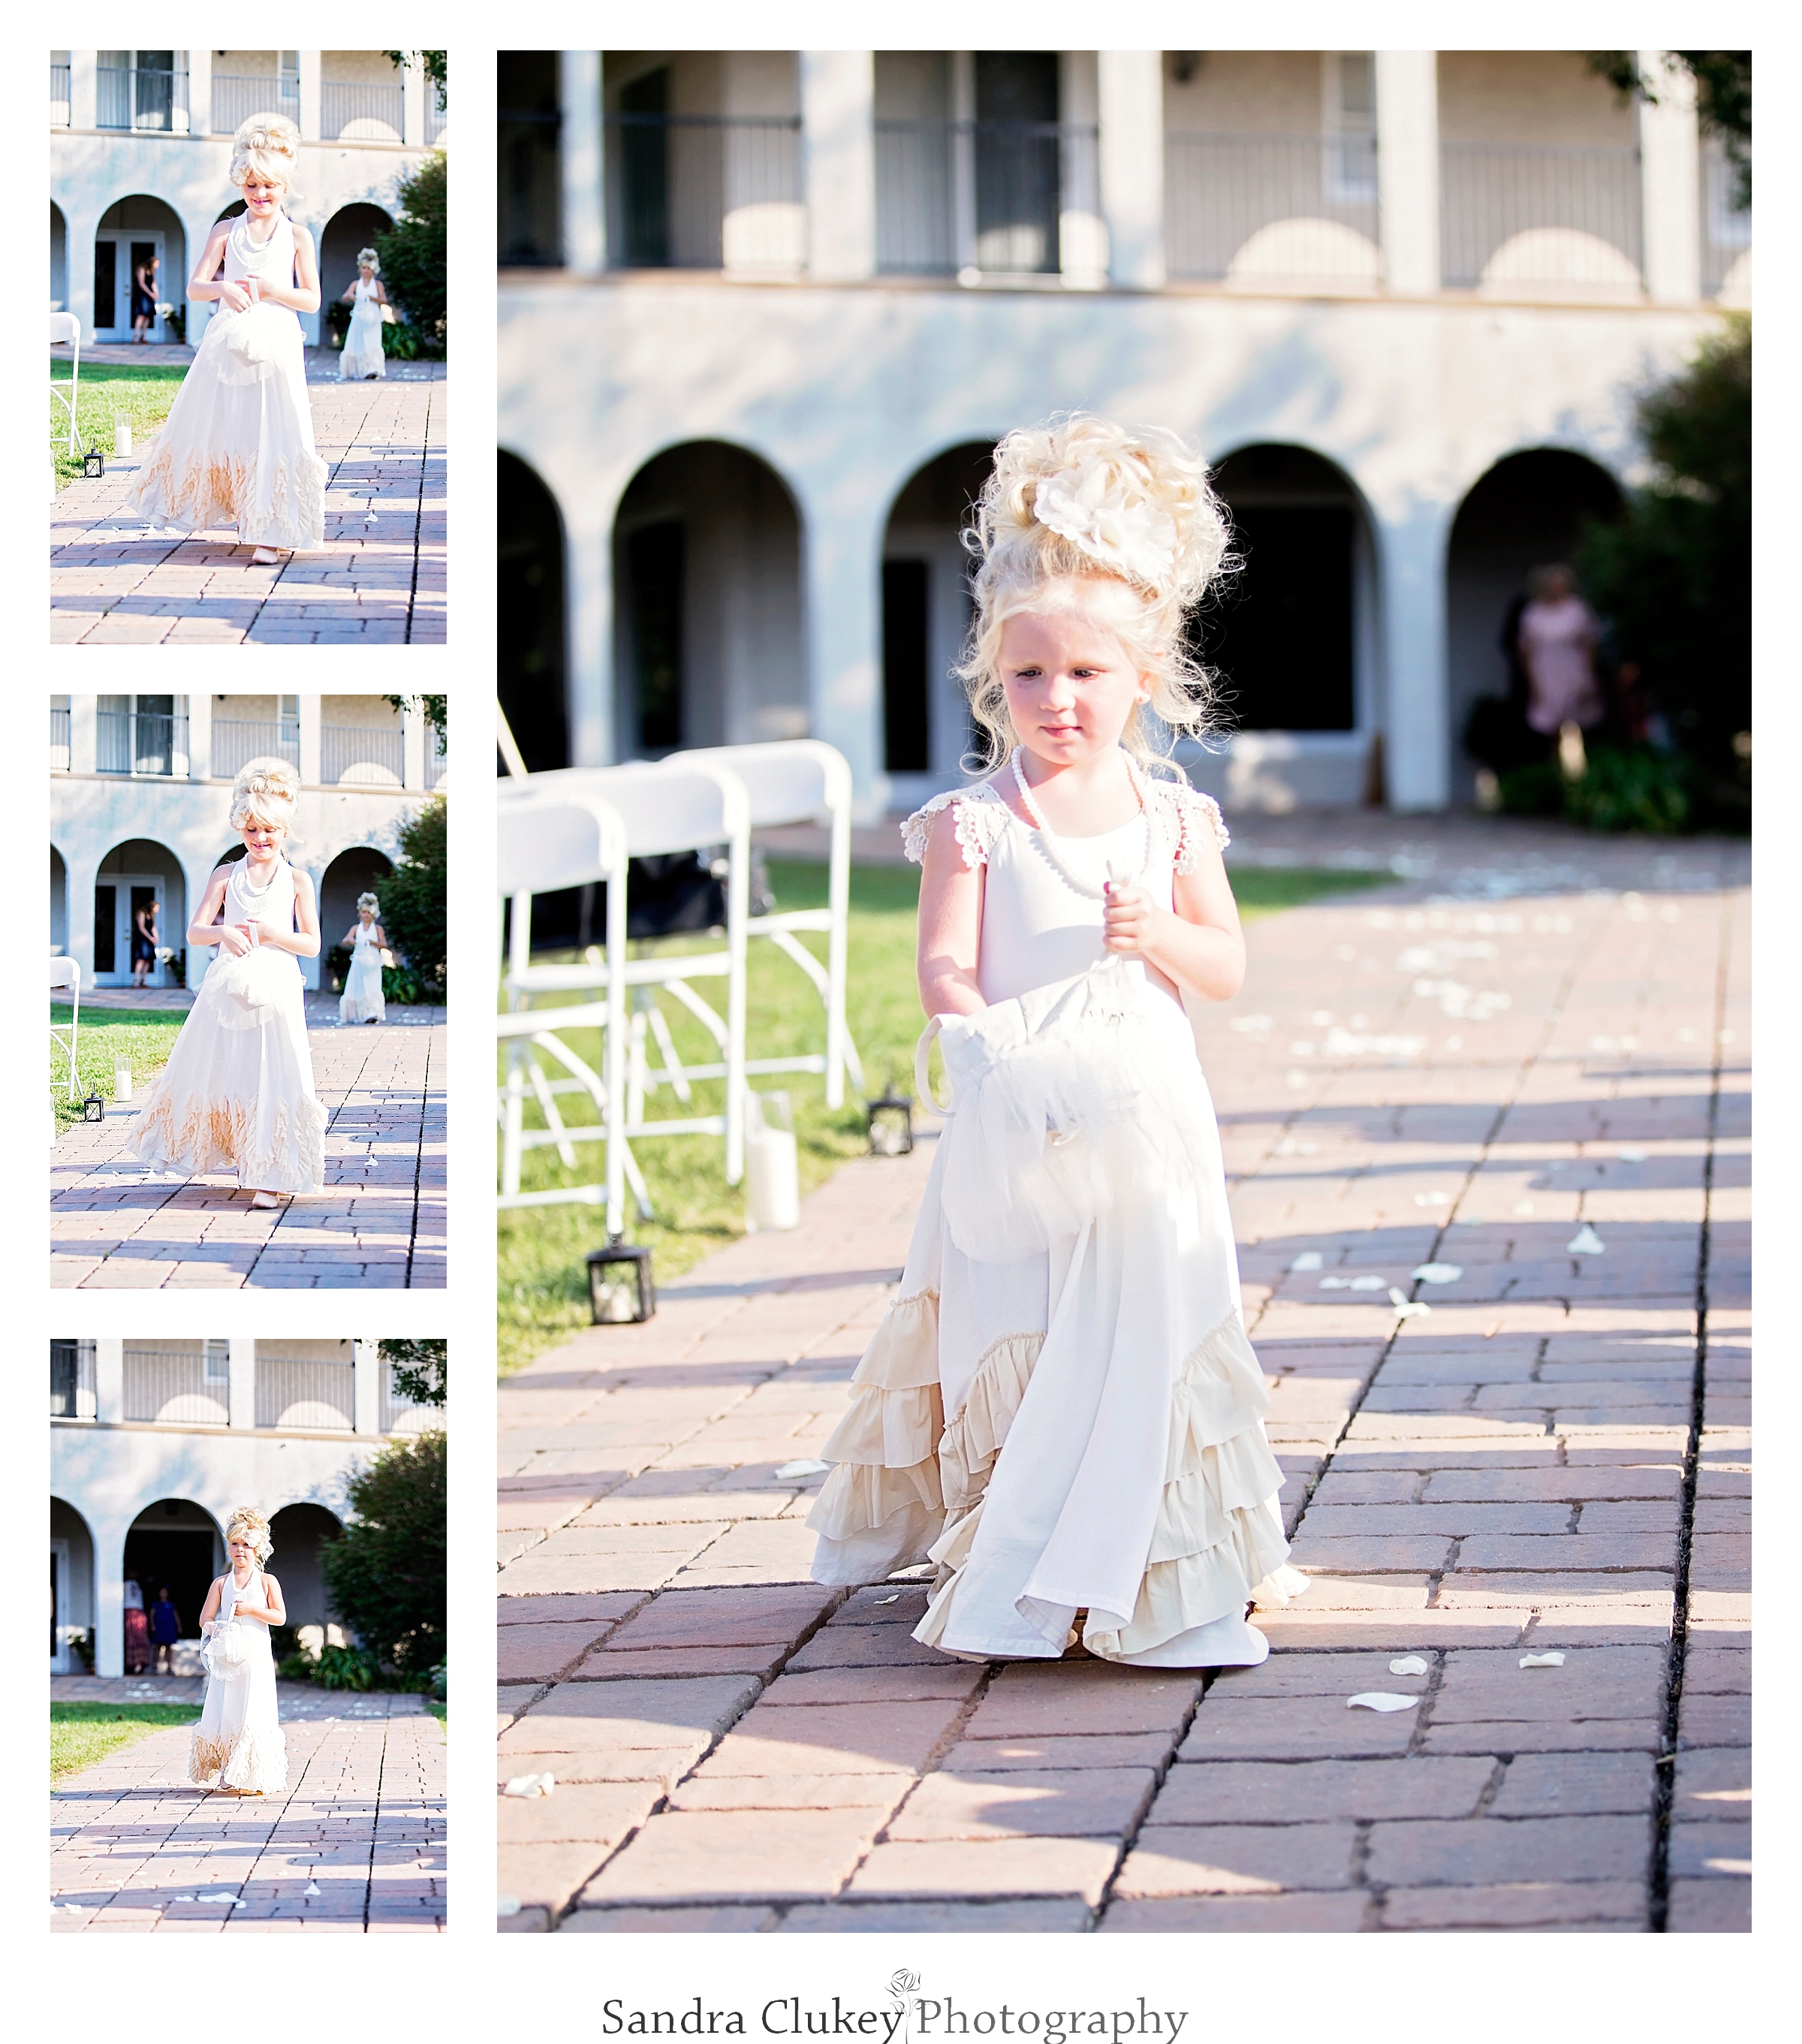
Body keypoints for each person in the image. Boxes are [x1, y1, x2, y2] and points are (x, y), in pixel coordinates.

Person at [809, 415, 1308, 1669]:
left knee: (1144, 1319)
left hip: (1142, 1123)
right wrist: (975, 1036)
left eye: (1087, 674)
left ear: (1146, 677)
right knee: (1026, 1320)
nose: (1059, 700)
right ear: (994, 679)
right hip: (1021, 1111)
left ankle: (1155, 1560)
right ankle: (1024, 1553)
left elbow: (1228, 966)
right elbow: (944, 966)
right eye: (1029, 676)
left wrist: (1156, 935)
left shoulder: (1172, 819)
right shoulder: (974, 823)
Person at [125, 113, 326, 565]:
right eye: (252, 185)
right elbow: (197, 287)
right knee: (234, 425)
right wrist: (223, 288)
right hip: (228, 345)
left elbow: (312, 299)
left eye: (269, 186)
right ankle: (244, 511)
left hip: (275, 344)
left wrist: (274, 290)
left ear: (284, 185)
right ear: (240, 184)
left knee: (276, 425)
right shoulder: (225, 231)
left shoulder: (297, 236)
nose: (260, 195)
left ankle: (271, 530)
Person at [131, 759, 326, 1210]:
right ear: (241, 826)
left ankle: (273, 1174)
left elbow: (312, 944)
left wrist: (275, 934)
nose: (261, 839)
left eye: (270, 831)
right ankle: (244, 1157)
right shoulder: (226, 876)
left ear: (285, 830)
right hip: (229, 988)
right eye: (252, 829)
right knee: (234, 1070)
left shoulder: (297, 880)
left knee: (277, 1070)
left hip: (276, 988)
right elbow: (195, 931)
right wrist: (223, 932)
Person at [191, 1509, 288, 1796]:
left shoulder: (267, 1582)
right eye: (235, 1544)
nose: (240, 1550)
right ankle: (227, 1767)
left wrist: (252, 1610)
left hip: (255, 1656)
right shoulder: (221, 1584)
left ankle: (252, 1772)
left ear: (257, 1548)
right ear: (229, 1547)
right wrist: (217, 1629)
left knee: (253, 1708)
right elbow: (204, 1619)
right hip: (229, 1658)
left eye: (246, 1545)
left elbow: (279, 1616)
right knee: (228, 1707)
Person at [1516, 564, 1604, 746]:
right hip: (1546, 675)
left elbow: (1590, 644)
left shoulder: (1578, 609)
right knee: (1551, 730)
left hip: (1574, 672)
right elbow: (1525, 650)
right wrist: (1533, 683)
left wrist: (1589, 676)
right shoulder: (1534, 613)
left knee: (1579, 726)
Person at [339, 248, 388, 381]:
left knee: (372, 342)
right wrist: (350, 296)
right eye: (364, 268)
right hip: (359, 317)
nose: (366, 271)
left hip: (372, 318)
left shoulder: (377, 284)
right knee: (357, 342)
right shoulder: (356, 284)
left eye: (369, 268)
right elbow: (345, 296)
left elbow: (384, 300)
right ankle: (357, 369)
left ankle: (372, 368)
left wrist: (373, 298)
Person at [338, 891, 388, 1025]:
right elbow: (345, 940)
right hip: (359, 961)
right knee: (357, 986)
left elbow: (384, 944)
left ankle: (372, 1013)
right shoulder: (356, 928)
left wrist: (373, 942)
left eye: (369, 913)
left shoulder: (377, 929)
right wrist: (350, 940)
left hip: (372, 962)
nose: (366, 915)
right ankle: (357, 1014)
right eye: (364, 912)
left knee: (372, 986)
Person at [149, 1586, 181, 1675]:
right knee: (158, 1647)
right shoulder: (156, 1604)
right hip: (159, 1627)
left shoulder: (171, 1605)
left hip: (169, 1628)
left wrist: (179, 1626)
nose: (163, 1594)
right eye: (162, 1592)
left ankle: (169, 1666)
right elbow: (152, 1615)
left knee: (168, 1647)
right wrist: (152, 1625)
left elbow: (176, 1615)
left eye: (165, 1592)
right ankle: (155, 1667)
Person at [131, 897, 159, 989]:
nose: (157, 910)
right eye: (156, 908)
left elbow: (153, 928)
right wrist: (150, 937)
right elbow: (141, 928)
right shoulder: (141, 914)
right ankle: (135, 981)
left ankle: (143, 980)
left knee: (148, 960)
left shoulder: (152, 916)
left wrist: (156, 937)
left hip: (150, 939)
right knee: (141, 959)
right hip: (143, 939)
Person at [122, 1577, 149, 1674]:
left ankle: (137, 1664)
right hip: (133, 1613)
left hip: (134, 1614)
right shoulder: (129, 1584)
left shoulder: (134, 1585)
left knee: (136, 1639)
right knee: (132, 1640)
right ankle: (133, 1665)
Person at [131, 255, 158, 344]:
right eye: (156, 264)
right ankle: (135, 337)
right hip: (143, 295)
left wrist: (156, 293)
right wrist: (150, 293)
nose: (157, 266)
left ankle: (143, 336)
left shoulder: (152, 271)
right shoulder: (141, 269)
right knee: (141, 315)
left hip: (150, 296)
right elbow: (141, 283)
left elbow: (153, 283)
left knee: (148, 316)